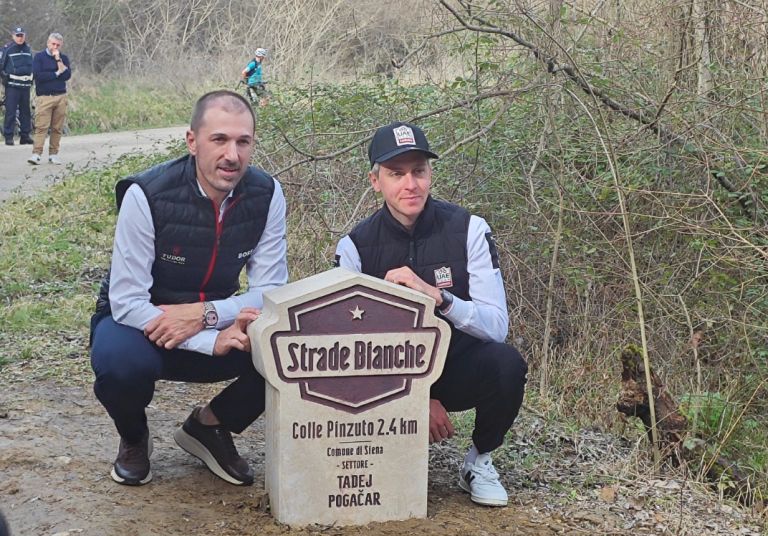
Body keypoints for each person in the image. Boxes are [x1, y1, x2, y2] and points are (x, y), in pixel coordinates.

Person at [90, 90, 288, 487]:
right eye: (219, 140)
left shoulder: (267, 194)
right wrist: (208, 340)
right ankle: (134, 437)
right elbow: (126, 301)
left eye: (243, 142)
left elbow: (271, 289)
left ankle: (211, 425)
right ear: (192, 141)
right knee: (118, 363)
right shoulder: (145, 194)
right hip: (140, 326)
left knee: (290, 345)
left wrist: (209, 316)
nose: (232, 155)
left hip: (213, 317)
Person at [334, 122, 528, 507]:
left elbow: (496, 327)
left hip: (456, 367)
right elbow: (346, 350)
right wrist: (415, 396)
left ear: (430, 174)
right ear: (375, 181)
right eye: (396, 174)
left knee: (506, 363)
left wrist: (440, 298)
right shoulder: (354, 246)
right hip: (386, 378)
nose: (411, 185)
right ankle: (375, 450)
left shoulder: (469, 229)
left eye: (418, 171)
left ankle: (479, 461)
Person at [28, 32, 70, 165]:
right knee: (41, 127)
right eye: (53, 44)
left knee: (57, 128)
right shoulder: (39, 57)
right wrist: (56, 73)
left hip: (60, 97)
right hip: (45, 97)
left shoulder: (64, 58)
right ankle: (36, 154)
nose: (55, 47)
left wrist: (58, 60)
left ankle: (53, 154)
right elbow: (39, 76)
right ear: (48, 43)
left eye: (58, 45)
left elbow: (67, 75)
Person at [0, 26, 33, 146]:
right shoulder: (7, 49)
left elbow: (31, 65)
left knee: (26, 112)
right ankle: (9, 136)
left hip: (25, 85)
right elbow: (1, 66)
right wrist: (4, 77)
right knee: (11, 111)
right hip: (12, 86)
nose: (20, 38)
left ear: (25, 36)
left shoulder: (28, 49)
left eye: (22, 35)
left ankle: (25, 135)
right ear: (13, 36)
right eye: (18, 36)